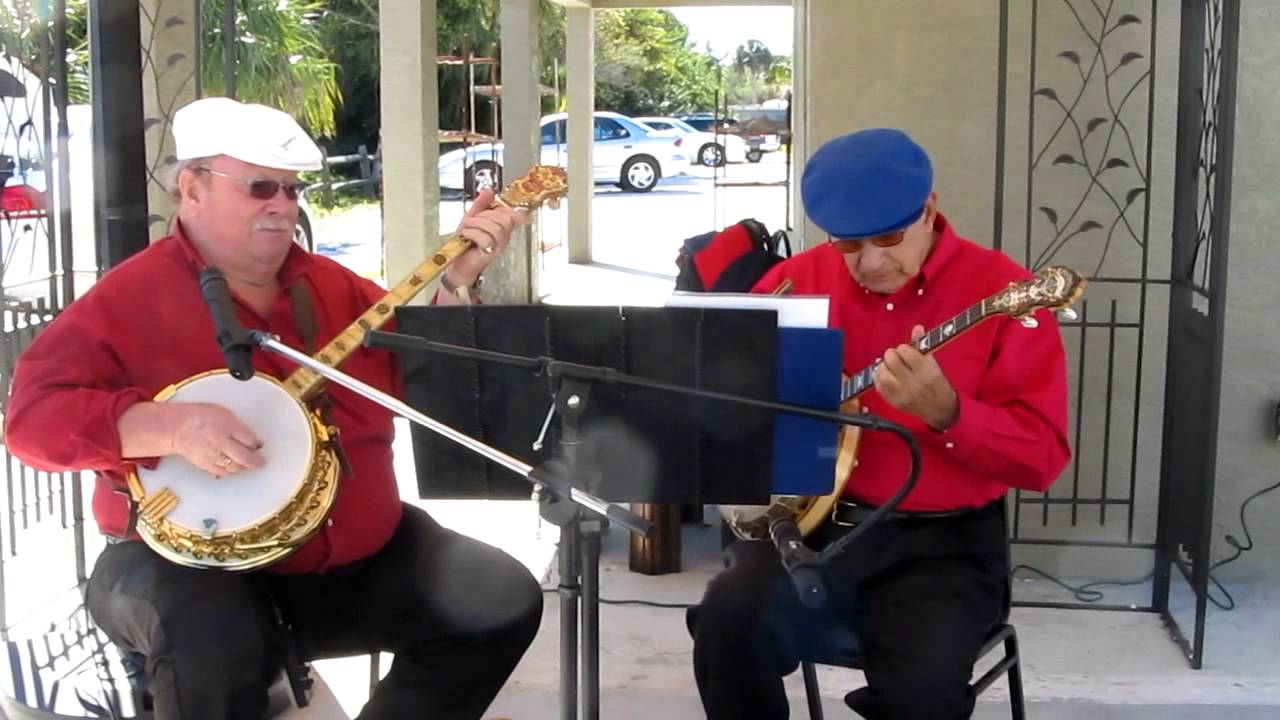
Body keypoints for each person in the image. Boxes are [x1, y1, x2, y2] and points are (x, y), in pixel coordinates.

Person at [3, 96, 542, 719]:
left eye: (292, 190)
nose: (282, 206)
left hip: (351, 560)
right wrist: (166, 425)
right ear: (192, 188)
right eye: (260, 187)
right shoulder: (125, 299)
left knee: (497, 600)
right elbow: (30, 421)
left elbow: (419, 375)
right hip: (179, 567)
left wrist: (453, 283)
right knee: (213, 640)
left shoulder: (334, 288)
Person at [686, 128, 1072, 719]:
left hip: (941, 549)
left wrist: (949, 413)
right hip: (812, 533)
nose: (870, 262)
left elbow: (1043, 459)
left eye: (890, 238)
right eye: (849, 244)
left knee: (922, 696)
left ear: (931, 211)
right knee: (724, 623)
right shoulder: (796, 283)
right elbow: (733, 405)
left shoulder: (1002, 293)